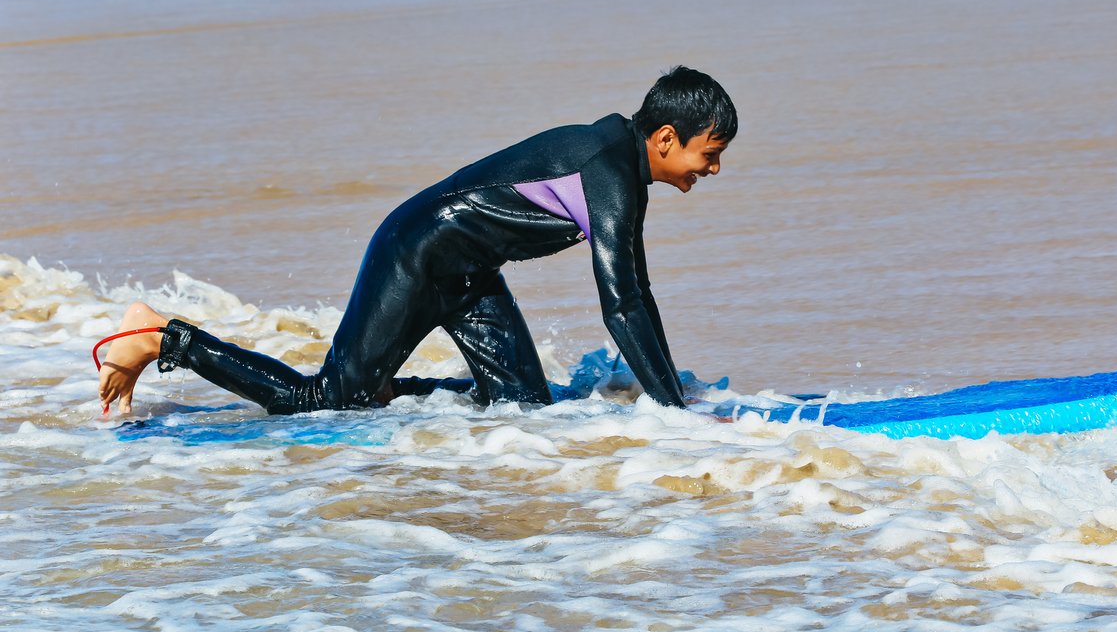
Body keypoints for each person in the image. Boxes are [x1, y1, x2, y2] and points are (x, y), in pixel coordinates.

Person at [97, 69, 737, 419]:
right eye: (708, 155)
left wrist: (671, 401)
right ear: (664, 138)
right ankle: (162, 337)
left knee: (520, 409)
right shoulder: (610, 171)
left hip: (465, 269)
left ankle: (387, 393)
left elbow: (636, 297)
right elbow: (622, 304)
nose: (711, 170)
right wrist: (677, 416)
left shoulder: (619, 164)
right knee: (320, 402)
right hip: (419, 252)